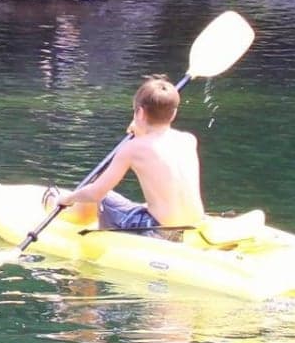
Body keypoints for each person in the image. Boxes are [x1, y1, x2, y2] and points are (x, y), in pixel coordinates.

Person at [44, 75, 203, 237]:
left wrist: (69, 198)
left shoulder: (132, 148)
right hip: (195, 227)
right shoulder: (189, 140)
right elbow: (156, 147)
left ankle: (56, 204)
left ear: (140, 112)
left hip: (157, 231)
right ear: (174, 113)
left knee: (100, 194)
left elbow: (97, 193)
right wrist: (141, 131)